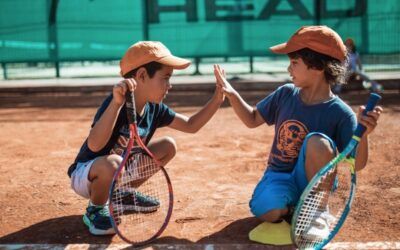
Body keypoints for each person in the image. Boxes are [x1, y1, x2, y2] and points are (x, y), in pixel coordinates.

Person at [214, 26, 382, 238]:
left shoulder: (341, 113)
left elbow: (356, 164)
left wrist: (363, 135)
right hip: (278, 176)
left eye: (294, 63)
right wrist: (232, 94)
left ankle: (317, 211)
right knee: (268, 210)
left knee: (317, 143)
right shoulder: (285, 94)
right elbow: (252, 118)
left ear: (318, 67)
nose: (288, 69)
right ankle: (294, 208)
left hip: (315, 182)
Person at [68, 41, 225, 235]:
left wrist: (217, 99)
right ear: (142, 75)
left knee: (168, 146)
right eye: (165, 78)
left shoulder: (155, 109)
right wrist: (116, 104)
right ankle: (95, 209)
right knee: (114, 163)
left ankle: (121, 195)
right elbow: (94, 144)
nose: (170, 85)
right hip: (88, 175)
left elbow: (191, 125)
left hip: (118, 171)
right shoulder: (116, 102)